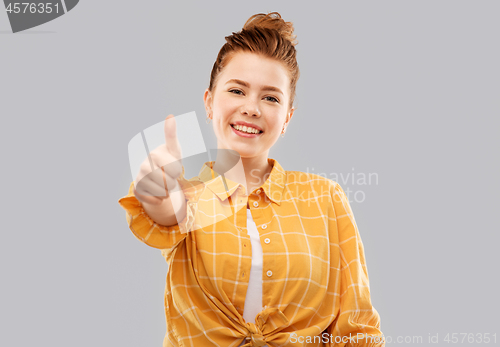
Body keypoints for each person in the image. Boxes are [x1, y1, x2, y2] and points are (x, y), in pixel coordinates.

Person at [118, 12, 384, 347]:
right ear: (210, 102)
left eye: (270, 97)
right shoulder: (190, 195)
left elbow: (357, 329)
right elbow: (166, 212)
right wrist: (159, 191)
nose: (252, 108)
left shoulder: (325, 199)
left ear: (286, 118)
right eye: (237, 91)